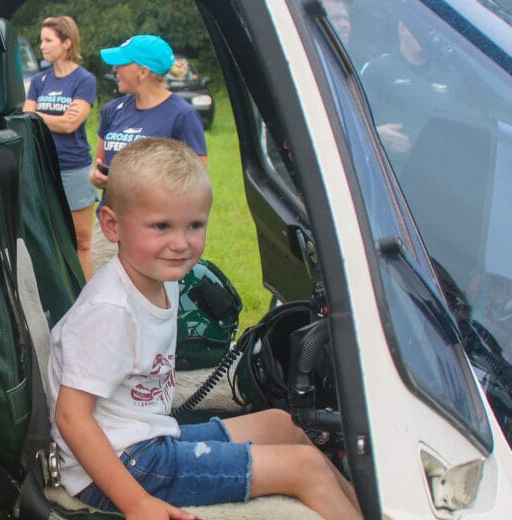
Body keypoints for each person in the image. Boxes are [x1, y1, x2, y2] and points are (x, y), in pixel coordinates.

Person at [48, 137, 362, 520]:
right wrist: (136, 503)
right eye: (161, 226)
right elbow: (71, 416)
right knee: (305, 469)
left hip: (147, 439)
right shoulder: (109, 311)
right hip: (118, 466)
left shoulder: (161, 280)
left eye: (194, 225)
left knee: (282, 424)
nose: (180, 243)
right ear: (112, 226)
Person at [88, 35, 207, 270]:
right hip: (111, 225)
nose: (115, 69)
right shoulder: (113, 110)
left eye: (122, 64)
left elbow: (197, 181)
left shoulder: (181, 115)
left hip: (155, 232)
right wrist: (97, 178)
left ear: (142, 72)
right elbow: (98, 164)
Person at [24, 16, 98, 279]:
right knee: (52, 238)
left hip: (74, 167)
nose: (41, 45)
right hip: (43, 167)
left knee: (82, 241)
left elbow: (70, 125)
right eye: (41, 40)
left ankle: (88, 296)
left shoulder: (84, 80)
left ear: (66, 43)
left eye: (48, 40)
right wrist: (53, 118)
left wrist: (38, 115)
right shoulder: (39, 81)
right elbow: (26, 118)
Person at [359, 15, 459, 164]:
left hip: (437, 168)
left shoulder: (449, 75)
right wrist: (375, 134)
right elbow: (351, 119)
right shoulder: (377, 70)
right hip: (390, 170)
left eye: (428, 31)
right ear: (402, 28)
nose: (424, 36)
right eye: (418, 30)